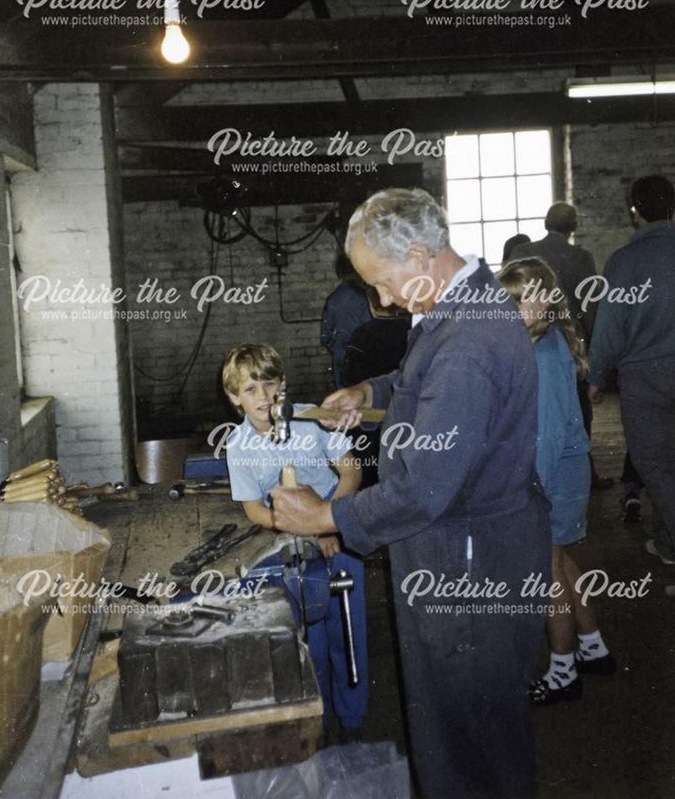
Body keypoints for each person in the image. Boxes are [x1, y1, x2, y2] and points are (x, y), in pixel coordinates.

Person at [272, 188, 551, 799]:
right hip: (477, 543)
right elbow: (422, 378)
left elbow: (425, 487)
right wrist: (373, 391)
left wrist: (326, 515)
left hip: (466, 560)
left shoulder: (468, 343)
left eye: (385, 283)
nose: (383, 300)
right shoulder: (466, 302)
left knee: (464, 734)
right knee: (475, 724)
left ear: (421, 257)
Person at [222, 343, 368, 742]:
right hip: (292, 551)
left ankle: (352, 726)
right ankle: (315, 727)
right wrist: (304, 531)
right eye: (250, 389)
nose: (264, 398)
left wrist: (326, 524)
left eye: (270, 385)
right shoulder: (238, 447)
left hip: (339, 537)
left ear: (283, 386)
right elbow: (254, 510)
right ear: (235, 397)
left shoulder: (313, 420)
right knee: (307, 645)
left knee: (349, 638)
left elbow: (351, 473)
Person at [498, 258, 616, 705]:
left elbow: (545, 435)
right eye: (509, 301)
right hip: (567, 471)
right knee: (562, 563)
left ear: (547, 298)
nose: (514, 310)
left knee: (547, 573)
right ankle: (594, 649)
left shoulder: (543, 354)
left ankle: (563, 672)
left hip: (554, 477)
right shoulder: (541, 340)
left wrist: (531, 491)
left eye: (523, 300)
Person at [588, 175, 675, 573]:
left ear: (634, 212)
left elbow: (610, 325)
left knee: (653, 463)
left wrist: (596, 374)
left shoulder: (623, 261)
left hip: (644, 377)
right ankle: (667, 539)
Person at [512, 201, 613, 490]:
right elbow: (590, 307)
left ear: (546, 222)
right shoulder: (581, 257)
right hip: (568, 339)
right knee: (576, 407)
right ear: (573, 227)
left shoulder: (522, 253)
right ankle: (583, 472)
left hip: (527, 339)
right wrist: (592, 351)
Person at [341, 287, 411, 487]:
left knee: (368, 469)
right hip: (403, 416)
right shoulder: (411, 331)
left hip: (368, 419)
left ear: (370, 305)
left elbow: (349, 377)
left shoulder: (361, 335)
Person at [320, 253, 371, 388]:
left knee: (342, 395)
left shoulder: (333, 299)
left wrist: (337, 348)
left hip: (340, 354)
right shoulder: (365, 298)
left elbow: (326, 335)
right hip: (362, 355)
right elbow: (370, 327)